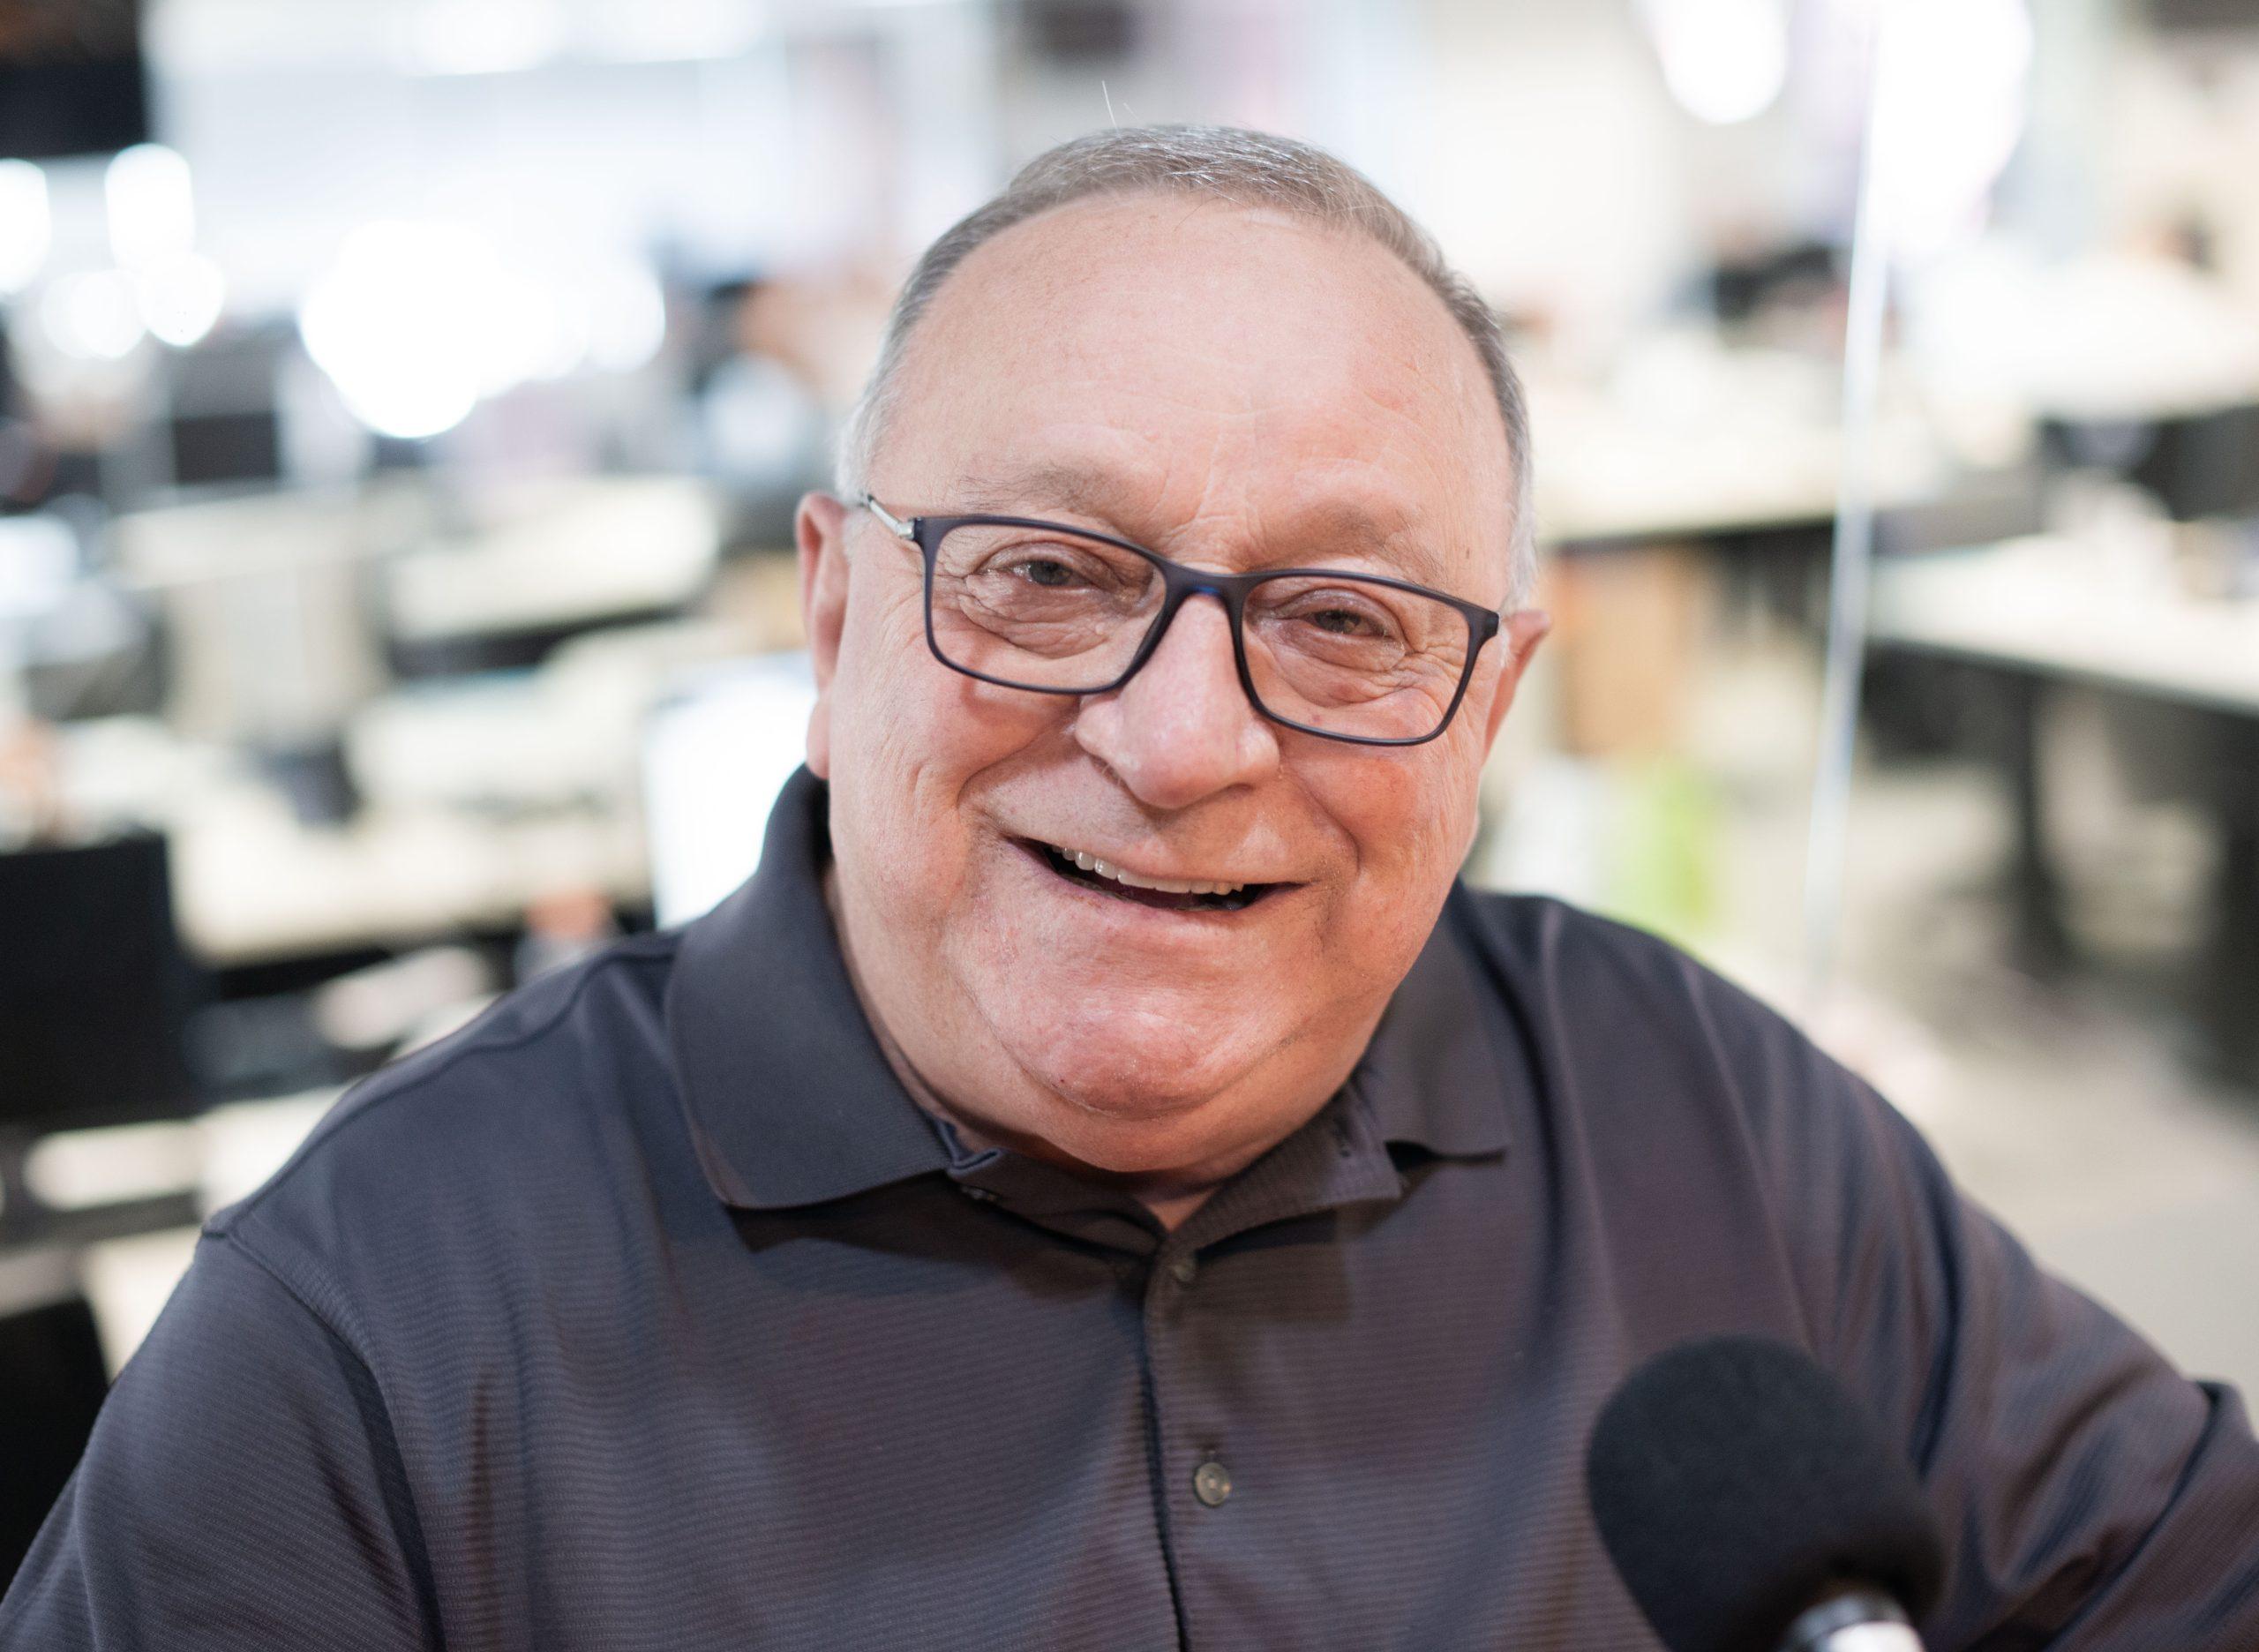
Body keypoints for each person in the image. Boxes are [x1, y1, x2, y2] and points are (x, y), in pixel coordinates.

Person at [6, 124, 2255, 1651]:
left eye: (1349, 620)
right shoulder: (372, 1334)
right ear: (827, 626)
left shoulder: (1701, 1126)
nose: (1184, 741)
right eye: (1047, 577)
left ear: (1489, 718)